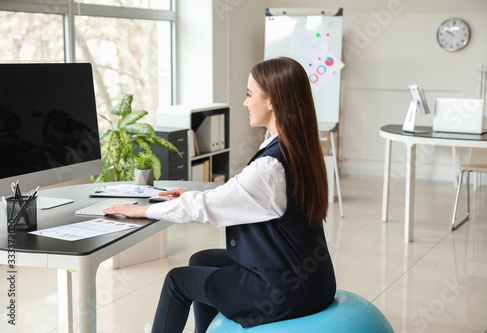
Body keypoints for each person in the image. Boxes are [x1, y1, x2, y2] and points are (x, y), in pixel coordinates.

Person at [104, 57, 336, 333]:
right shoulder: (297, 148)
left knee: (177, 281)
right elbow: (239, 194)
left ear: (272, 100)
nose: (245, 102)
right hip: (312, 279)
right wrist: (189, 194)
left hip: (285, 290)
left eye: (249, 95)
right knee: (202, 260)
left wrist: (141, 210)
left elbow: (204, 207)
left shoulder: (271, 165)